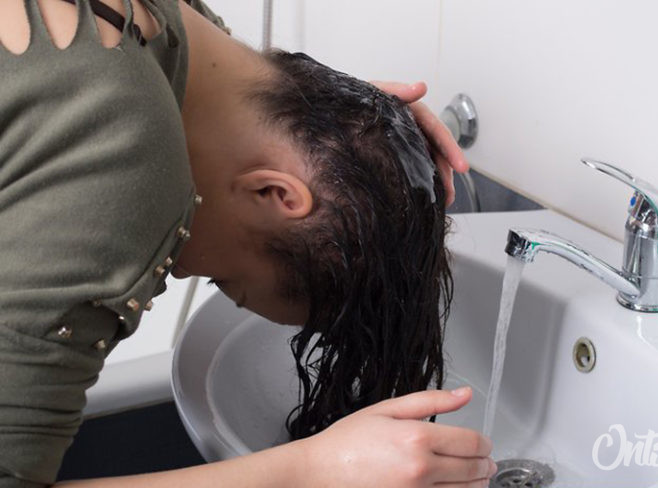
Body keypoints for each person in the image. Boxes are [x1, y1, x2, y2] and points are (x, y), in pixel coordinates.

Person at [0, 1, 497, 487]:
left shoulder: (165, 34)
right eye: (226, 279)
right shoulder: (119, 141)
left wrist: (351, 131)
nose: (176, 271)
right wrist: (312, 469)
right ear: (274, 192)